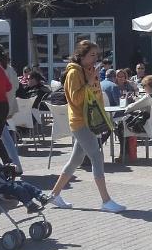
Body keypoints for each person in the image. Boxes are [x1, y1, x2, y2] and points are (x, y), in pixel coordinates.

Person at [49, 40, 125, 213]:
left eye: (96, 55)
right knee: (97, 157)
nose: (95, 59)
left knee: (75, 160)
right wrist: (90, 80)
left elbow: (95, 94)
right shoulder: (74, 73)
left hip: (89, 120)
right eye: (92, 55)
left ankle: (54, 194)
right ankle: (106, 201)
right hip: (80, 121)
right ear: (81, 55)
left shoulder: (88, 70)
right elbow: (75, 99)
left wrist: (93, 79)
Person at [0, 148, 49, 214]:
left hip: (5, 186)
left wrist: (10, 167)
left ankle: (40, 196)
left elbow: (2, 168)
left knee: (25, 184)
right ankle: (29, 205)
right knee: (18, 188)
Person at [0, 43, 22, 171]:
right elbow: (16, 86)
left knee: (0, 137)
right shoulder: (8, 67)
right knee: (3, 136)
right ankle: (14, 165)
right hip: (7, 106)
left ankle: (14, 165)